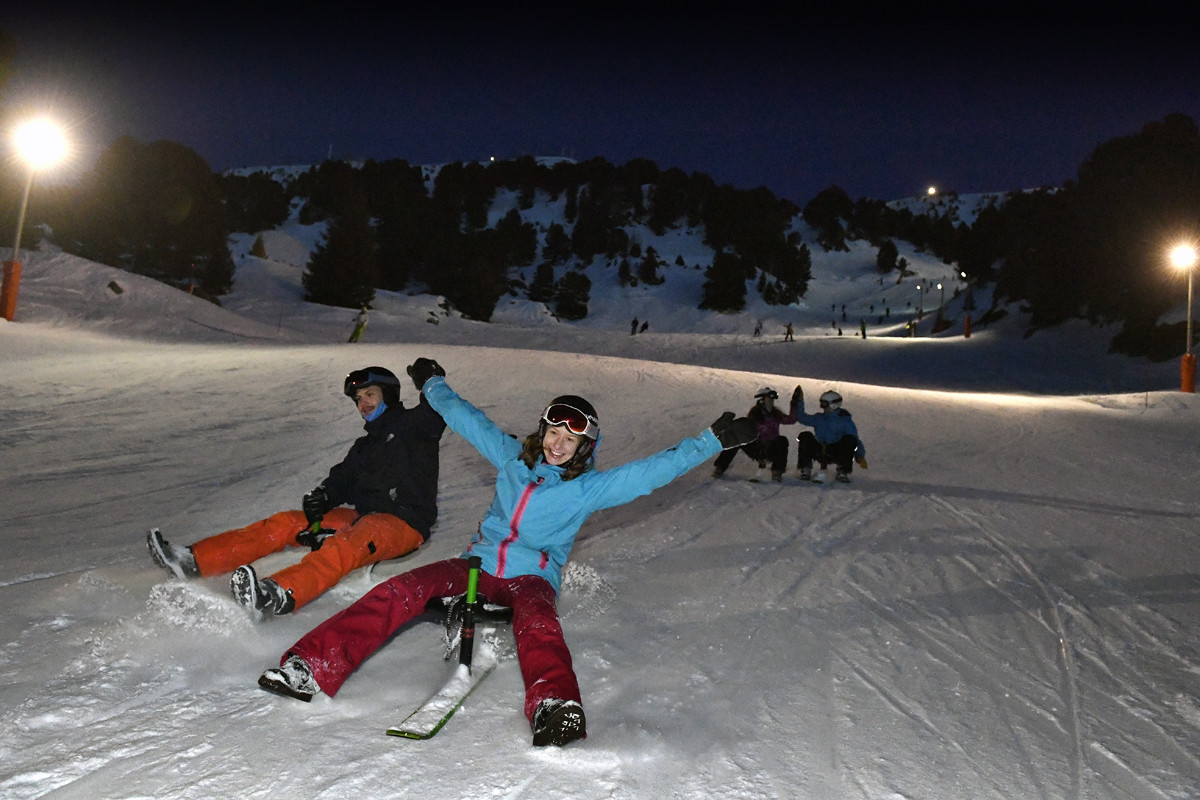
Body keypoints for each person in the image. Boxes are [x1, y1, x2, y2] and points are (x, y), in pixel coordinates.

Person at [256, 358, 757, 747]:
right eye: (554, 433)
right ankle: (310, 667)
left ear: (585, 448)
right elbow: (465, 418)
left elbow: (650, 471)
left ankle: (554, 706)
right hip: (475, 565)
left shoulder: (588, 489)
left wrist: (711, 440)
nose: (558, 445)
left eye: (570, 439)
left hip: (530, 577)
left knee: (538, 624)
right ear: (543, 431)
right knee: (401, 589)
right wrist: (432, 383)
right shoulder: (513, 456)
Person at [147, 364, 446, 620]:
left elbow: (438, 410)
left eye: (370, 395)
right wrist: (323, 497)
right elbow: (343, 479)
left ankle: (276, 595)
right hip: (364, 516)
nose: (363, 404)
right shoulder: (364, 447)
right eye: (358, 399)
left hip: (404, 524)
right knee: (289, 522)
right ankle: (193, 560)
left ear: (389, 395)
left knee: (346, 544)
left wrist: (432, 379)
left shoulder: (413, 426)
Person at [711, 385, 800, 482]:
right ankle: (720, 467)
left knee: (782, 440)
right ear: (762, 400)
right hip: (757, 447)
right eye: (769, 399)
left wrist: (794, 404)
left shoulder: (775, 414)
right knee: (737, 439)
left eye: (772, 399)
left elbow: (791, 420)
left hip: (771, 447)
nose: (771, 402)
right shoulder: (755, 414)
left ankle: (777, 471)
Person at [794, 388, 868, 483]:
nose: (822, 407)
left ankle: (843, 471)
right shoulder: (819, 418)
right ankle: (805, 468)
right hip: (820, 449)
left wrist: (860, 456)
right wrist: (799, 402)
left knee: (849, 439)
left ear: (833, 404)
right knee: (805, 435)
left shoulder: (845, 421)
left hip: (836, 451)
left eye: (824, 404)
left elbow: (855, 440)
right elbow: (802, 418)